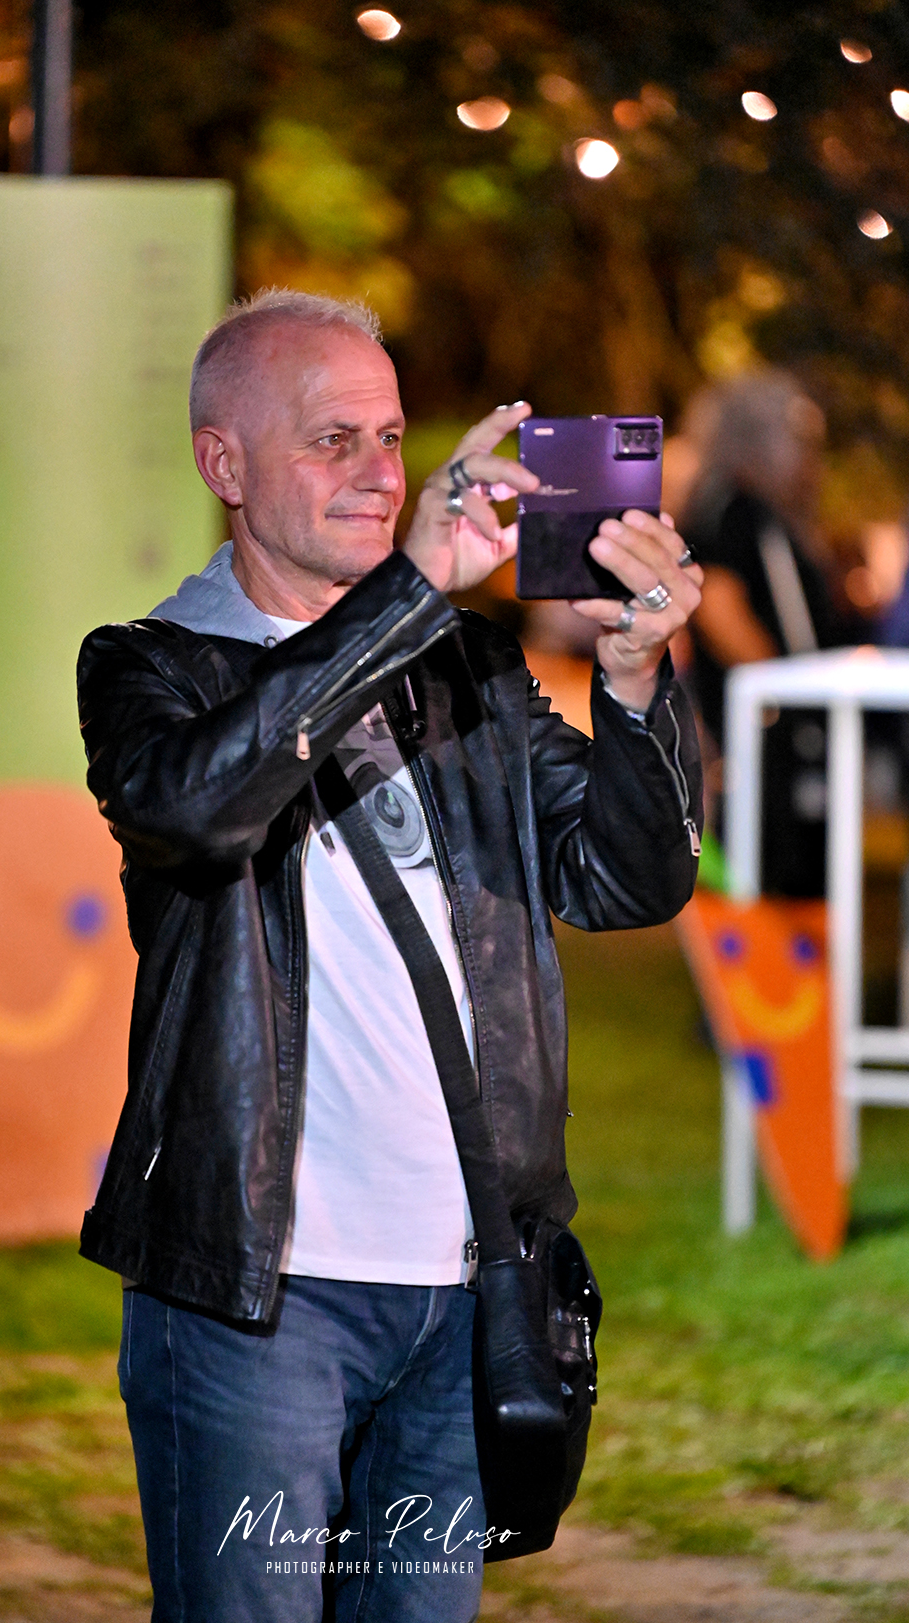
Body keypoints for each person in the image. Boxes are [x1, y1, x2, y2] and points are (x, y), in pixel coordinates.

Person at [76, 289, 704, 1623]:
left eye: (391, 435)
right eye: (331, 440)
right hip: (257, 1298)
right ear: (225, 465)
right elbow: (195, 807)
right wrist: (412, 592)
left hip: (463, 1288)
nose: (379, 473)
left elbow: (624, 879)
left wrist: (639, 681)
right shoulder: (151, 668)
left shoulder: (464, 667)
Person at [679, 371, 843, 896]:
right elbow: (719, 607)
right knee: (773, 875)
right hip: (764, 735)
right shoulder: (732, 511)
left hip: (776, 727)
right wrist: (786, 685)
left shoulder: (756, 513)